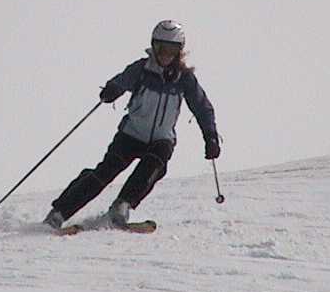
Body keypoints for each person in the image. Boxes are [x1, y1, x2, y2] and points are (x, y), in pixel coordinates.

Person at [43, 20, 220, 229]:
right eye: (161, 47)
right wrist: (112, 90)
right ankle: (59, 212)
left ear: (179, 51)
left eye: (171, 49)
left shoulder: (184, 79)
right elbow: (122, 80)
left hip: (162, 139)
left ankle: (122, 205)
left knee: (153, 167)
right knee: (104, 173)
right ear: (153, 46)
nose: (165, 54)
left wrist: (210, 137)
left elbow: (202, 107)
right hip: (131, 135)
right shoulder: (142, 69)